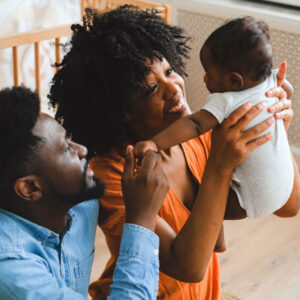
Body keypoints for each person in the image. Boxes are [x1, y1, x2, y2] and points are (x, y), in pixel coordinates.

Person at [48, 6, 300, 300]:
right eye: (151, 89)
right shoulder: (112, 174)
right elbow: (188, 266)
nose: (175, 88)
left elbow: (288, 206)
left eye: (169, 71)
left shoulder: (192, 134)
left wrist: (275, 130)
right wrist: (219, 166)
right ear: (120, 112)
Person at [0, 86, 170, 300]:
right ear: (30, 188)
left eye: (69, 137)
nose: (82, 150)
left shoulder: (81, 205)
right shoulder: (10, 268)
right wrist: (141, 219)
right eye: (65, 149)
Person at [134, 17, 294, 219]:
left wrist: (154, 143)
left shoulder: (227, 100)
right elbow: (287, 88)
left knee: (208, 204)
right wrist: (280, 91)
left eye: (208, 73)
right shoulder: (270, 80)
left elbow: (194, 124)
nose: (205, 78)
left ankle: (203, 224)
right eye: (153, 87)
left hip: (254, 197)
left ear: (235, 81)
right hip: (285, 182)